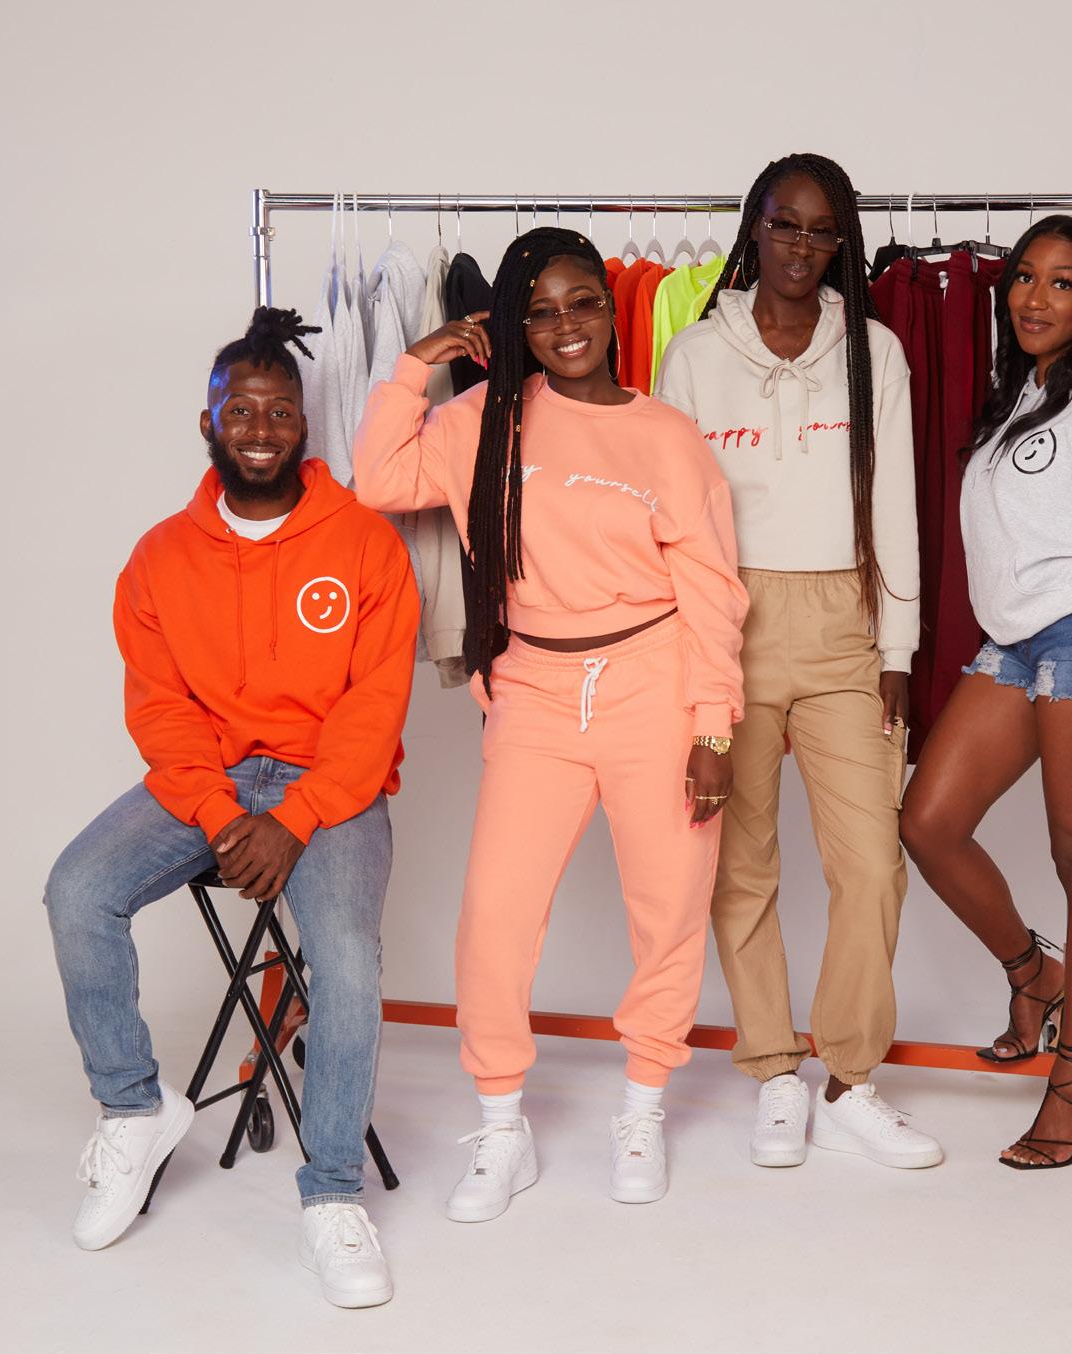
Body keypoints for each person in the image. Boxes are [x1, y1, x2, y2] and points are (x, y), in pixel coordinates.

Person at [353, 227, 747, 1218]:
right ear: (514, 326)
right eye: (540, 312)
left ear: (611, 311)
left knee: (668, 908)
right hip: (533, 690)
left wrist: (713, 728)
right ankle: (500, 1125)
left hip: (654, 686)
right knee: (494, 915)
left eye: (581, 304)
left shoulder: (665, 435)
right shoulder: (482, 419)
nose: (565, 326)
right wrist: (414, 365)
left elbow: (712, 593)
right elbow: (377, 480)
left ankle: (643, 1106)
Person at [42, 308, 418, 1305]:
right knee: (77, 891)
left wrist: (295, 817)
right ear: (207, 421)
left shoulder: (367, 544)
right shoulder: (160, 555)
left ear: (304, 423)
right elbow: (160, 710)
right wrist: (218, 816)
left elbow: (374, 706)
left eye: (279, 411)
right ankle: (134, 1110)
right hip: (204, 778)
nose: (259, 428)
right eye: (239, 410)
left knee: (345, 954)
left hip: (327, 784)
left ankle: (331, 1194)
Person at [655, 153, 940, 1170]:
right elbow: (672, 520)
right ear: (755, 226)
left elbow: (895, 501)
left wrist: (898, 646)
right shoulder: (695, 353)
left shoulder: (873, 349)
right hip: (727, 618)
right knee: (741, 863)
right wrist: (690, 654)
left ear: (841, 243)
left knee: (871, 862)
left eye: (823, 231)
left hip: (844, 619)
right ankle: (775, 1067)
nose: (801, 246)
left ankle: (851, 1076)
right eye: (785, 225)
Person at [899, 217, 1072, 1169]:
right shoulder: (1027, 392)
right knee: (928, 822)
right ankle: (1034, 971)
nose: (1034, 297)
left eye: (1062, 282)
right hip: (1013, 643)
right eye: (1024, 277)